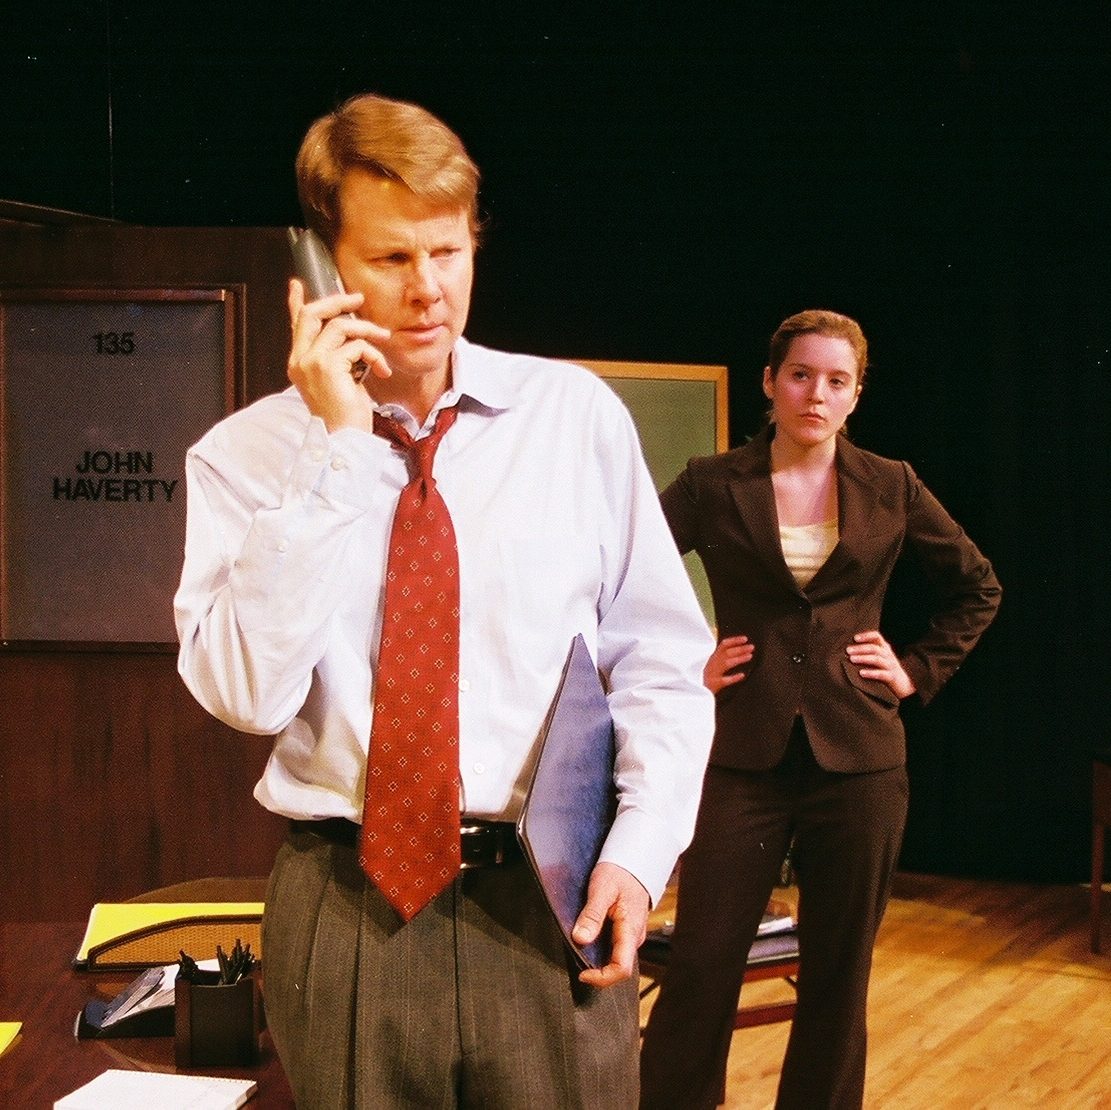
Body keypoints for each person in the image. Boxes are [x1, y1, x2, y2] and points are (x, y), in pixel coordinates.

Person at [174, 92, 715, 1109]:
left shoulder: (574, 420)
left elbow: (659, 663)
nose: (429, 290)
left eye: (449, 253)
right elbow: (245, 696)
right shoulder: (245, 458)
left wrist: (641, 855)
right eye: (390, 260)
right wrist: (335, 451)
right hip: (347, 910)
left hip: (549, 902)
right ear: (323, 265)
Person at [639, 310, 1002, 1109]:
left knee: (838, 976)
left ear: (854, 395)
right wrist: (685, 659)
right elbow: (627, 580)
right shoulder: (712, 482)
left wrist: (913, 670)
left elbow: (978, 587)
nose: (816, 393)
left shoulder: (890, 483)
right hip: (742, 756)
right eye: (800, 374)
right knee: (701, 963)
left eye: (836, 380)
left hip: (860, 758)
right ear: (770, 383)